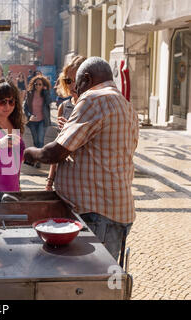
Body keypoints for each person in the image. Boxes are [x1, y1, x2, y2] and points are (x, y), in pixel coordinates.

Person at [24, 57, 139, 261]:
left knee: (90, 281)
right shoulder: (125, 104)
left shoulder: (93, 99)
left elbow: (55, 153)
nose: (76, 91)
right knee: (102, 277)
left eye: (77, 85)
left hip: (98, 215)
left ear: (86, 79)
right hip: (117, 211)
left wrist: (28, 153)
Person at [46, 55, 86, 191]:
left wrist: (72, 128)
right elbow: (58, 146)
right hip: (64, 178)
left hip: (85, 178)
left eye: (77, 80)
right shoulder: (63, 107)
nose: (72, 85)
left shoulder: (92, 106)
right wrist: (49, 181)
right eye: (69, 80)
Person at [23, 75, 52, 167]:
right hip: (32, 121)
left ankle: (38, 160)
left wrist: (46, 91)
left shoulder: (45, 94)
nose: (38, 86)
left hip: (42, 121)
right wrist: (29, 115)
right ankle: (36, 157)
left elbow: (49, 102)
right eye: (36, 84)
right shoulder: (30, 93)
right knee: (35, 141)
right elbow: (25, 107)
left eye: (40, 84)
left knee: (40, 141)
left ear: (43, 85)